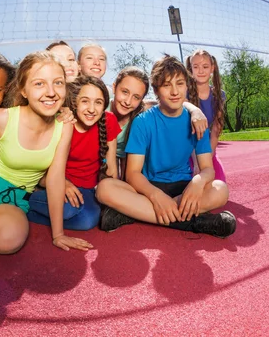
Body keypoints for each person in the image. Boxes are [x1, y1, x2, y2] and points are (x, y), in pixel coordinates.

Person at [0, 50, 93, 254]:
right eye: (39, 84)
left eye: (57, 83)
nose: (51, 92)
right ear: (23, 90)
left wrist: (58, 235)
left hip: (17, 198)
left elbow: (55, 178)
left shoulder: (64, 125)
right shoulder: (4, 117)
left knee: (8, 241)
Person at [96, 55, 236, 238]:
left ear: (187, 86)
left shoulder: (197, 121)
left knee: (221, 190)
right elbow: (132, 174)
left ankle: (135, 213)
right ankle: (198, 223)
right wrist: (155, 196)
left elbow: (208, 169)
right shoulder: (143, 122)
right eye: (166, 85)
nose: (175, 91)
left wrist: (198, 182)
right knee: (104, 188)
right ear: (156, 90)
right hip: (148, 188)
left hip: (182, 187)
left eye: (180, 83)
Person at [27, 75, 120, 230]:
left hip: (88, 190)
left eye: (98, 102)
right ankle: (23, 204)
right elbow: (38, 170)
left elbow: (111, 168)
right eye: (85, 101)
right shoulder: (62, 122)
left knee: (88, 221)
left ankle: (29, 214)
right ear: (75, 102)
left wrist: (111, 198)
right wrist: (63, 183)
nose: (91, 109)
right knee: (69, 209)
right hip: (56, 184)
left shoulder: (109, 120)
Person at [186, 49, 227, 181]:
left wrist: (207, 158)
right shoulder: (184, 94)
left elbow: (216, 129)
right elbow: (187, 132)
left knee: (219, 187)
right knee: (191, 183)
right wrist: (197, 163)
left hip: (207, 147)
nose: (201, 71)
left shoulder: (220, 95)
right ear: (190, 69)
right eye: (196, 67)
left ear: (212, 69)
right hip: (187, 149)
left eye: (205, 67)